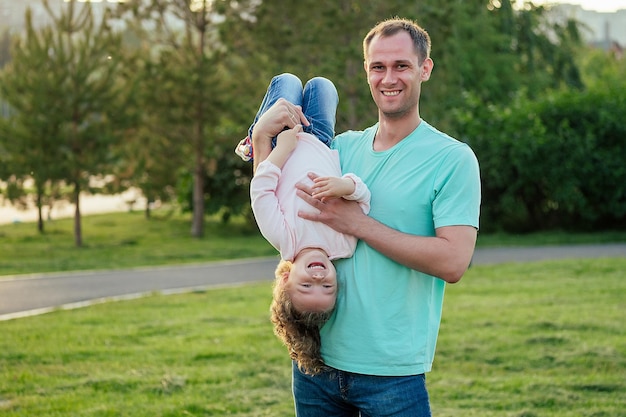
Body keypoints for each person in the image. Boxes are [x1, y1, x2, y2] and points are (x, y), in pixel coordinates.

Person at [249, 18, 481, 417]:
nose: (388, 78)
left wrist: (357, 224)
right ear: (367, 72)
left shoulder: (452, 159)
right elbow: (275, 198)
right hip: (316, 366)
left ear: (424, 69)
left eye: (401, 66)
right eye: (378, 67)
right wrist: (257, 141)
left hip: (391, 375)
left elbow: (453, 261)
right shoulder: (340, 147)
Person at [239, 73, 371, 375]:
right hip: (320, 140)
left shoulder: (284, 240)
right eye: (326, 286)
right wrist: (347, 187)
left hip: (277, 144)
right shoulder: (345, 245)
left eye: (306, 284)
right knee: (323, 86)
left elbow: (261, 190)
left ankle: (250, 142)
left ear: (286, 279)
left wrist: (282, 147)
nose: (318, 276)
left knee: (286, 81)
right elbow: (364, 201)